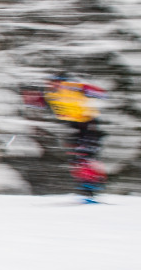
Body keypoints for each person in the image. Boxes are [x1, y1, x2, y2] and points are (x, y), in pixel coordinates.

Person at [22, 72, 107, 202]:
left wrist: (92, 91)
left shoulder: (72, 86)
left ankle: (93, 184)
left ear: (61, 81)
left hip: (88, 123)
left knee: (85, 153)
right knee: (75, 158)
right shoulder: (50, 94)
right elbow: (39, 101)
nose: (52, 85)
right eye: (50, 83)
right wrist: (27, 96)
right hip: (73, 126)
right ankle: (86, 188)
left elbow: (99, 93)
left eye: (55, 82)